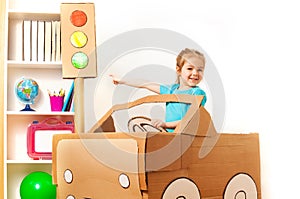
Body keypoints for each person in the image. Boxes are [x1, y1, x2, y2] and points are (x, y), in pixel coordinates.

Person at [110, 48, 207, 132]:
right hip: (170, 135)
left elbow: (190, 120)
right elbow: (146, 84)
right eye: (190, 68)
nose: (195, 73)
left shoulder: (197, 93)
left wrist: (165, 124)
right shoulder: (171, 90)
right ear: (179, 70)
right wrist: (122, 81)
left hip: (186, 135)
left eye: (199, 70)